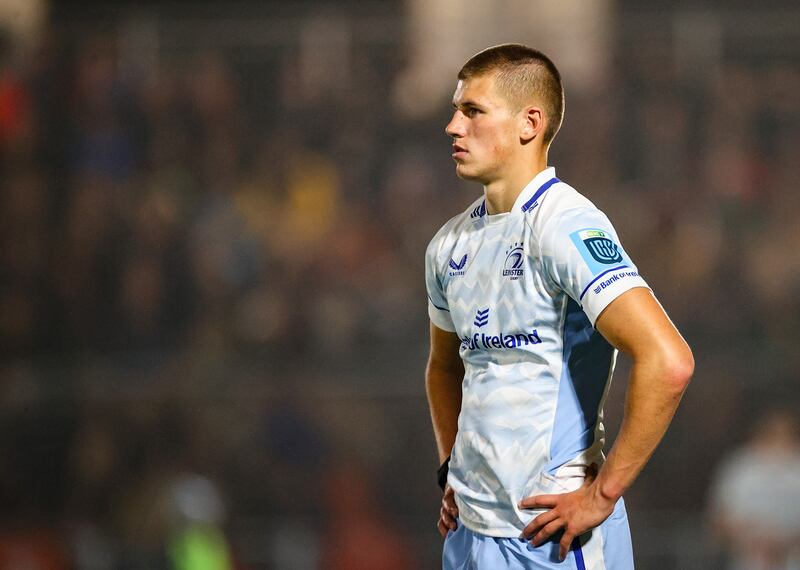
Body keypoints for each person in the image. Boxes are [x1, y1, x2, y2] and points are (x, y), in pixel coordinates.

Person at [424, 44, 694, 569]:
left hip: (552, 538)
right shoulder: (447, 245)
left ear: (530, 122)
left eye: (473, 111)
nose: (453, 127)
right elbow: (444, 366)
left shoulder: (564, 225)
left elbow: (670, 360)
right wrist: (451, 471)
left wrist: (602, 495)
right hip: (470, 535)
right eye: (456, 111)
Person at [707, 407, 800, 570]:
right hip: (748, 562)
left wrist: (785, 541)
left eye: (785, 433)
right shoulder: (740, 467)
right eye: (772, 432)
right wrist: (752, 538)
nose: (778, 439)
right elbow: (717, 522)